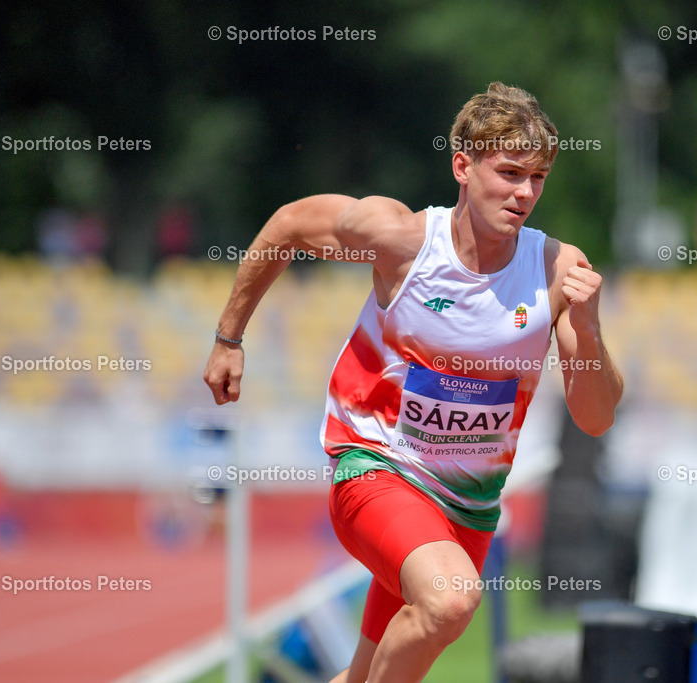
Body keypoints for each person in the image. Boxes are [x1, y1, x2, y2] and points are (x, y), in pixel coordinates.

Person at [203, 82, 623, 683]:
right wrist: (228, 338)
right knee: (452, 599)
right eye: (509, 172)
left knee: (368, 672)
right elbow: (291, 225)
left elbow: (596, 417)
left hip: (466, 509)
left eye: (539, 176)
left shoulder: (557, 271)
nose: (524, 192)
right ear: (462, 165)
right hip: (376, 471)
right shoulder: (399, 240)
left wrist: (589, 324)